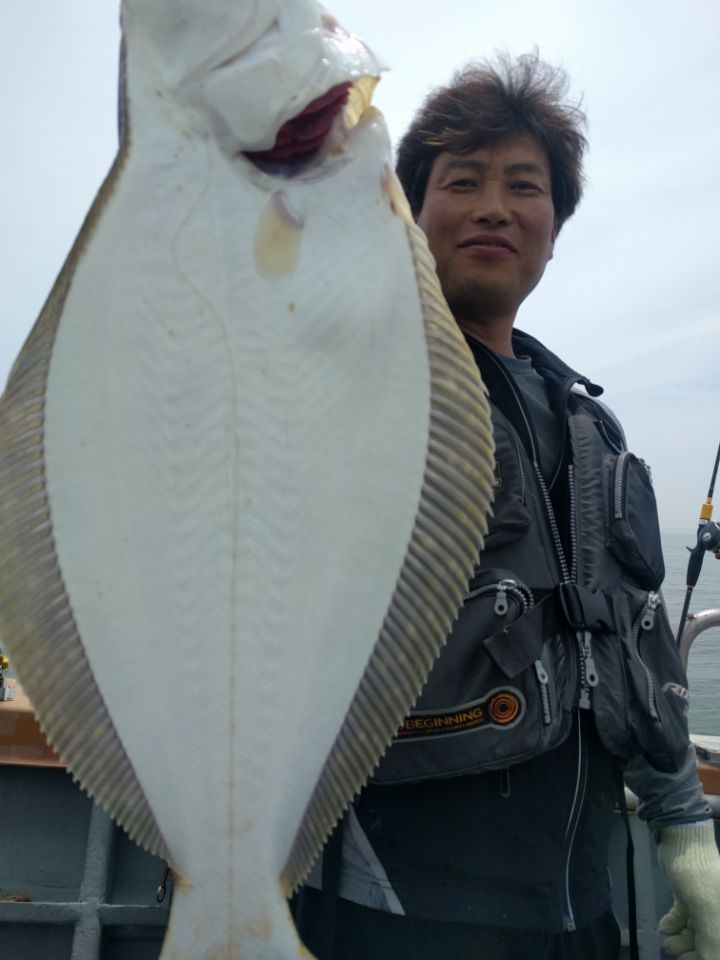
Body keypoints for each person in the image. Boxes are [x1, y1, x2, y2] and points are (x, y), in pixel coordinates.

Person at [293, 54, 720, 960]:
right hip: (393, 906)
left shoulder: (591, 424)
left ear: (555, 230)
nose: (494, 206)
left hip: (582, 905)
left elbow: (633, 637)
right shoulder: (344, 377)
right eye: (462, 182)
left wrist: (685, 826)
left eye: (524, 186)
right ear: (409, 215)